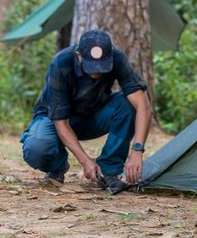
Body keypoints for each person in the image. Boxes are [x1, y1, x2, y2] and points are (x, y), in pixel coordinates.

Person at [19, 29, 153, 194]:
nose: (97, 71)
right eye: (91, 65)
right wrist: (85, 161)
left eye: (102, 66)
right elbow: (61, 123)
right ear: (79, 55)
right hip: (55, 120)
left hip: (92, 116)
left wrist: (137, 151)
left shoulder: (117, 58)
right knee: (36, 148)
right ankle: (58, 165)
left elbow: (143, 106)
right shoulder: (61, 62)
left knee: (128, 104)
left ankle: (108, 171)